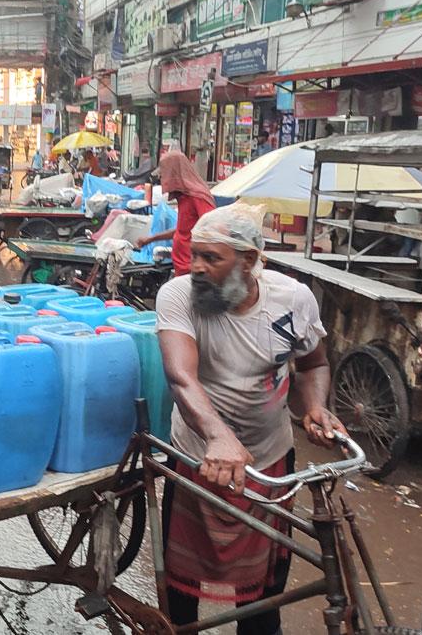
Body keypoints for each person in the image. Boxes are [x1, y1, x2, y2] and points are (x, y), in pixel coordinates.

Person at [155, 203, 347, 635]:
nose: (196, 267)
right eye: (195, 254)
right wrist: (218, 437)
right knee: (180, 594)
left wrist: (315, 406)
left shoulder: (293, 299)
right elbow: (181, 377)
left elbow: (313, 364)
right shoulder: (178, 295)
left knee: (265, 595)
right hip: (198, 454)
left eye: (211, 258)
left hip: (269, 460)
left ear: (248, 261)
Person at [136, 151, 217, 276]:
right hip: (182, 268)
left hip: (192, 272)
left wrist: (197, 262)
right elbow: (182, 230)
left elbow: (210, 231)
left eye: (163, 176)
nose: (162, 180)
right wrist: (150, 239)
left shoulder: (197, 197)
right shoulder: (183, 197)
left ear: (174, 175)